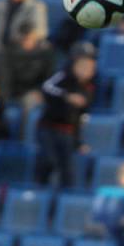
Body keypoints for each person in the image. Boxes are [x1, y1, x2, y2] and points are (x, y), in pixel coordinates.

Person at [36, 43, 96, 188]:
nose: (86, 69)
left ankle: (64, 199)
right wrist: (66, 96)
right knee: (49, 161)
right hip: (48, 128)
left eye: (90, 67)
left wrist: (79, 141)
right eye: (82, 65)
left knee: (68, 171)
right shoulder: (63, 76)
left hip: (68, 132)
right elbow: (46, 88)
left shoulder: (89, 88)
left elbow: (82, 116)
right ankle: (40, 190)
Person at [0, 22, 55, 114]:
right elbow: (4, 79)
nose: (27, 42)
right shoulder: (9, 54)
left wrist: (40, 92)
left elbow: (49, 77)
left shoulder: (45, 54)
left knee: (29, 103)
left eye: (30, 38)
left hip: (35, 92)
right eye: (24, 39)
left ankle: (24, 129)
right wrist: (5, 99)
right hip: (15, 92)